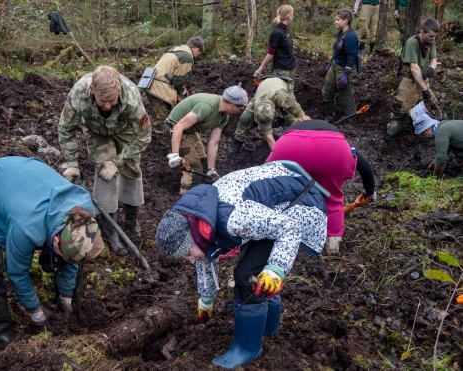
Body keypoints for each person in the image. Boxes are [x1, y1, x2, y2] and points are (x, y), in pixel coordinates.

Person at [156, 161, 329, 369]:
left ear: (191, 236)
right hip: (268, 211)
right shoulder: (200, 219)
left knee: (247, 277)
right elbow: (206, 255)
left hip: (298, 205)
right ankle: (267, 330)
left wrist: (276, 269)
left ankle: (248, 348)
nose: (190, 260)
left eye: (187, 254)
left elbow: (289, 229)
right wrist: (207, 297)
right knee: (251, 272)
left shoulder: (233, 219)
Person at [0, 157, 104, 349]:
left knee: (74, 255)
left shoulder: (84, 216)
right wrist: (36, 313)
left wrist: (66, 297)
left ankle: (68, 302)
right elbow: (17, 273)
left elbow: (74, 256)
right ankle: (2, 334)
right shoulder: (26, 228)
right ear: (56, 239)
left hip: (21, 183)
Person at [58, 65, 151, 255]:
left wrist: (118, 161)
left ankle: (132, 220)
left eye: (112, 100)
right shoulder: (78, 94)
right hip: (96, 131)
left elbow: (144, 135)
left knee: (132, 170)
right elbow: (66, 129)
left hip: (125, 129)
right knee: (105, 174)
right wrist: (71, 163)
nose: (108, 105)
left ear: (120, 89)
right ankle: (112, 231)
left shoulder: (131, 96)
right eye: (102, 100)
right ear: (92, 90)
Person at [266, 119, 376, 254]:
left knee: (281, 195)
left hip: (290, 145)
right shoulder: (338, 138)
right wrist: (370, 191)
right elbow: (365, 166)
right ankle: (333, 248)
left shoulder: (289, 134)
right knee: (332, 196)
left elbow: (264, 174)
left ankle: (276, 241)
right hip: (332, 146)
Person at [165, 85, 248, 194]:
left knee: (204, 167)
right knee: (194, 172)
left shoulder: (224, 116)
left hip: (190, 131)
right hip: (175, 130)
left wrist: (211, 170)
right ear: (233, 105)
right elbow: (178, 127)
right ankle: (184, 204)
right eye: (240, 109)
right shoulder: (206, 106)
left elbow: (214, 142)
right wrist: (175, 155)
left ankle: (201, 196)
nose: (239, 112)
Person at [145, 37, 205, 154]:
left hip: (151, 84)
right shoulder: (187, 57)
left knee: (160, 116)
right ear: (197, 50)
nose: (197, 56)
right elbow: (178, 81)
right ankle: (164, 148)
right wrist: (183, 92)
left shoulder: (174, 51)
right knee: (162, 119)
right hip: (161, 88)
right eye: (199, 54)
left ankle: (168, 139)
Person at [387, 18, 440, 137]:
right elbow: (414, 69)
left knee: (433, 107)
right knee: (399, 113)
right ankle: (390, 140)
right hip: (409, 81)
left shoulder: (431, 41)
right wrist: (425, 89)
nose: (433, 39)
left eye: (435, 36)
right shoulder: (412, 43)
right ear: (422, 32)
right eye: (431, 36)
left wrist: (432, 67)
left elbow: (433, 59)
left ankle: (429, 134)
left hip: (423, 80)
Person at [229, 77, 310, 153]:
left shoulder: (284, 98)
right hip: (262, 92)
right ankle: (236, 146)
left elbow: (301, 114)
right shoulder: (260, 110)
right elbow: (269, 138)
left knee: (291, 119)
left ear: (274, 110)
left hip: (279, 86)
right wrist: (278, 157)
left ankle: (296, 141)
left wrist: (309, 130)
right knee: (245, 118)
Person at [322, 9, 360, 126]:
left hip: (345, 68)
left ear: (345, 21)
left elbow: (351, 57)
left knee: (346, 98)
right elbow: (337, 51)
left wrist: (345, 74)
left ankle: (351, 124)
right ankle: (329, 117)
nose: (335, 22)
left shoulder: (351, 37)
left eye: (338, 20)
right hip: (335, 65)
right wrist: (331, 62)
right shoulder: (340, 32)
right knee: (326, 92)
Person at [412, 102, 463, 179]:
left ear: (427, 130)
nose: (423, 137)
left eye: (422, 134)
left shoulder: (441, 132)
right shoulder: (444, 125)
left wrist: (434, 178)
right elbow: (442, 154)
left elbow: (441, 159)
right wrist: (430, 168)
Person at [254, 5, 296, 96]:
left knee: (289, 94)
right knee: (280, 95)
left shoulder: (285, 30)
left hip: (291, 68)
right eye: (292, 14)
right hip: (281, 70)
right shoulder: (277, 32)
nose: (293, 16)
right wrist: (260, 69)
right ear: (289, 16)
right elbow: (270, 53)